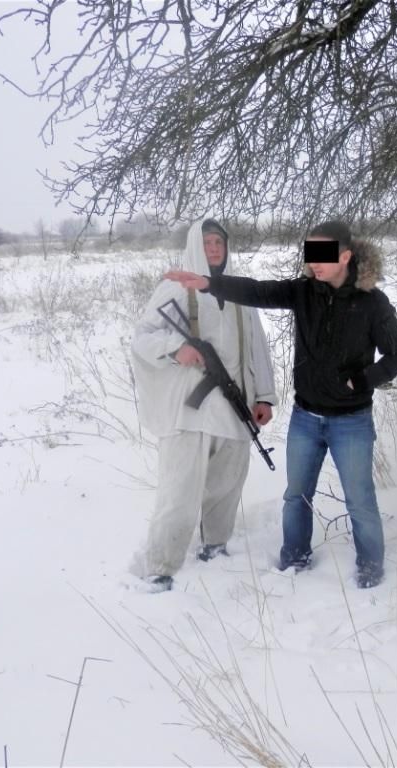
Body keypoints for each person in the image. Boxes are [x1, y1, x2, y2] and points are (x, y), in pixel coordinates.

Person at [164, 221, 397, 588]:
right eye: (311, 254)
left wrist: (362, 380)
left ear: (345, 255)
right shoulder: (303, 292)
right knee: (296, 496)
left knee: (360, 500)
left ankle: (371, 566)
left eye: (323, 255)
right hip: (306, 418)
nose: (315, 263)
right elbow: (257, 291)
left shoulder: (371, 302)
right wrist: (209, 283)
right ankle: (295, 557)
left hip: (351, 421)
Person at [130, 218, 277, 592]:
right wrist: (176, 349)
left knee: (227, 485)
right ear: (197, 243)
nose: (215, 249)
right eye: (208, 242)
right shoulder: (177, 285)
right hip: (191, 411)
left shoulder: (239, 292)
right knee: (179, 492)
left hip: (235, 409)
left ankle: (215, 545)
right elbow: (143, 338)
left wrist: (263, 396)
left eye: (220, 243)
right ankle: (160, 567)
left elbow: (257, 347)